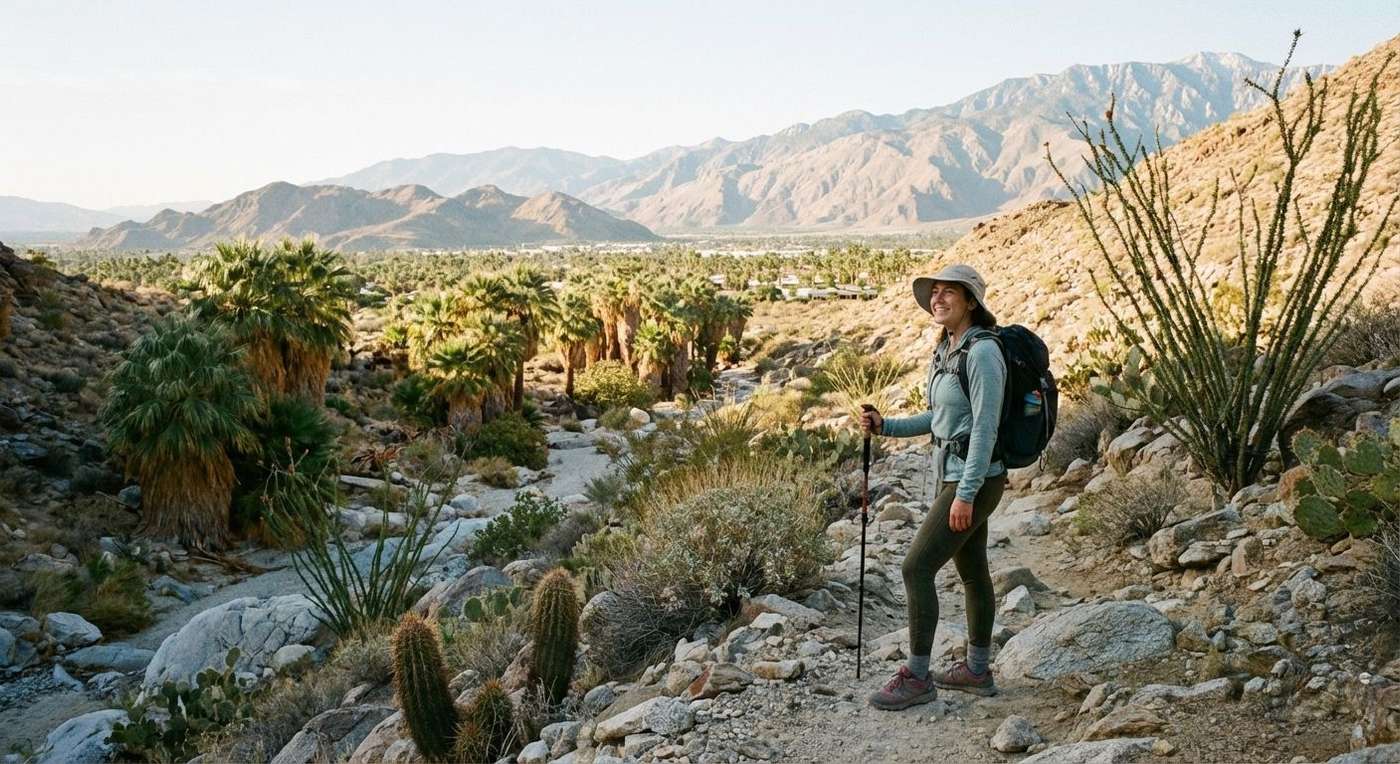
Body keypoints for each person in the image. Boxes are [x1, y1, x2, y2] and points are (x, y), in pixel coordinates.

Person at [861, 263, 1006, 710]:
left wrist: (965, 493)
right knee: (972, 570)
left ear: (971, 301)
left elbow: (984, 429)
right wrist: (886, 426)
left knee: (915, 568)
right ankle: (977, 671)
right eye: (934, 292)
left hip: (974, 478)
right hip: (954, 473)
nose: (938, 299)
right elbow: (938, 419)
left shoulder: (982, 353)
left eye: (949, 292)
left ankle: (918, 676)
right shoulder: (947, 349)